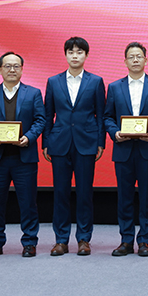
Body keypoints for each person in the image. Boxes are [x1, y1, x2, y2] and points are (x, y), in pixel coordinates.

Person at [0, 52, 45, 258]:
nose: (12, 70)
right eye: (7, 66)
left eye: (16, 66)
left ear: (22, 69)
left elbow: (40, 120)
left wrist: (29, 137)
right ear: (0, 69)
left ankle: (29, 242)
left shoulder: (33, 93)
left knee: (28, 202)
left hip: (24, 157)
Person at [105, 42, 148, 257]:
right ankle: (125, 240)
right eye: (131, 57)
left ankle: (144, 241)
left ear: (145, 60)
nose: (135, 60)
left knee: (146, 196)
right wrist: (115, 133)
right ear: (125, 61)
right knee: (124, 197)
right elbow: (107, 117)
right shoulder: (114, 87)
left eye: (139, 56)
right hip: (123, 149)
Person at [42, 37, 106, 257]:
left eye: (79, 52)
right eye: (71, 52)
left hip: (86, 143)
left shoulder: (96, 81)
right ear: (66, 55)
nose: (75, 56)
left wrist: (100, 142)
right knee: (60, 193)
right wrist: (46, 142)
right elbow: (48, 115)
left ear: (86, 55)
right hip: (59, 143)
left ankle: (83, 239)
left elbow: (100, 115)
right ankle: (61, 240)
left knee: (84, 193)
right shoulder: (53, 81)